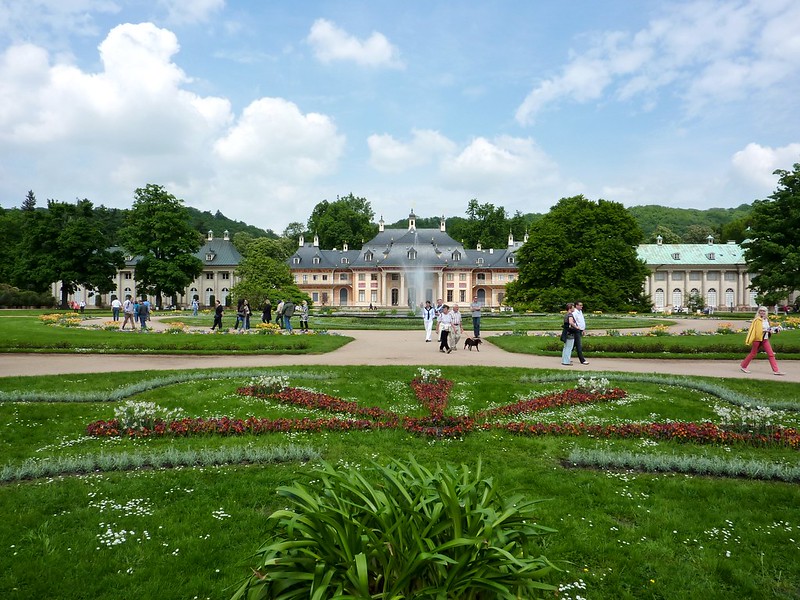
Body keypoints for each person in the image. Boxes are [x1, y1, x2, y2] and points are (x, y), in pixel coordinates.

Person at [740, 306, 784, 375]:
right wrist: (766, 330)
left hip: (765, 339)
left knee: (771, 354)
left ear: (766, 312)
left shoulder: (766, 319)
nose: (762, 312)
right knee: (753, 353)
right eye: (761, 311)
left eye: (764, 311)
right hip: (757, 339)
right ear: (759, 312)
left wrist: (776, 330)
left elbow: (769, 329)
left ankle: (776, 370)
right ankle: (743, 366)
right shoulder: (757, 320)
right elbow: (757, 331)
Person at [572, 301, 590, 365]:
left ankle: (566, 357)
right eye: (580, 305)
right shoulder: (574, 312)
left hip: (580, 330)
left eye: (582, 305)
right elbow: (573, 321)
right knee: (578, 345)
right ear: (576, 306)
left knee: (573, 345)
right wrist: (577, 328)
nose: (581, 306)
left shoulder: (580, 312)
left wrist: (583, 329)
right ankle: (582, 360)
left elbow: (582, 321)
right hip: (576, 330)